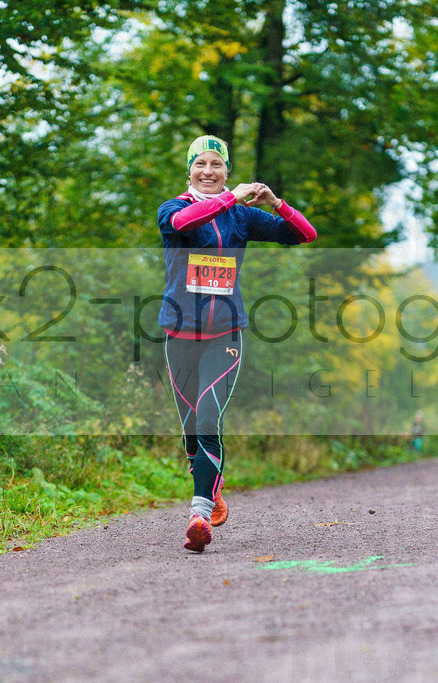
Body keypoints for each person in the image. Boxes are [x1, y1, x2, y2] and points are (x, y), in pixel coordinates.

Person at [158, 134, 318, 552]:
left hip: (224, 335)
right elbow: (183, 225)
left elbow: (305, 234)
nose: (208, 172)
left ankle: (198, 514)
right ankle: (212, 481)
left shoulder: (243, 218)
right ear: (189, 170)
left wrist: (275, 202)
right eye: (200, 164)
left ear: (227, 170)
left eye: (217, 165)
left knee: (208, 419)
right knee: (193, 432)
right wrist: (232, 199)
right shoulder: (173, 209)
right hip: (179, 335)